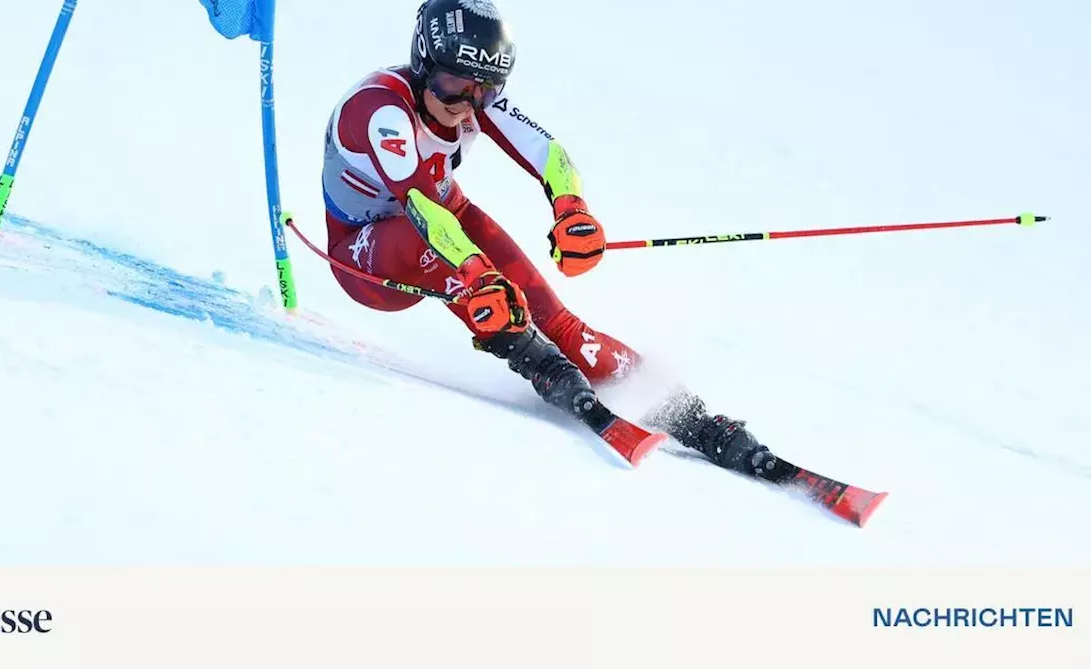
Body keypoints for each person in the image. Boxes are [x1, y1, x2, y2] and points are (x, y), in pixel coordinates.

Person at [320, 0, 776, 476]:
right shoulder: (379, 108)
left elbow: (549, 153)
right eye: (455, 85)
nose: (468, 106)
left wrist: (571, 210)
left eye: (484, 89)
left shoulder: (472, 95)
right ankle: (536, 360)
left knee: (564, 327)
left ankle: (694, 418)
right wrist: (477, 274)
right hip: (368, 256)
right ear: (422, 63)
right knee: (466, 269)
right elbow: (422, 208)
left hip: (446, 222)